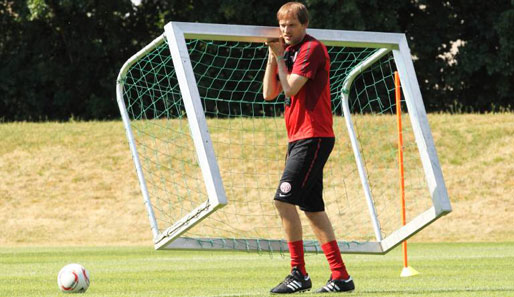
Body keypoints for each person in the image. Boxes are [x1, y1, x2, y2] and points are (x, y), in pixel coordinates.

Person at [262, 2, 355, 294]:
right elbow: (269, 94)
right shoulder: (286, 52)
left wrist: (280, 58)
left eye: (291, 25)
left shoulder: (312, 49)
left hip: (314, 135)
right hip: (298, 138)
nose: (285, 31)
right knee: (312, 208)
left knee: (283, 200)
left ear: (304, 25)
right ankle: (341, 276)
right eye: (282, 25)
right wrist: (272, 57)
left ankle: (298, 273)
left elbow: (290, 88)